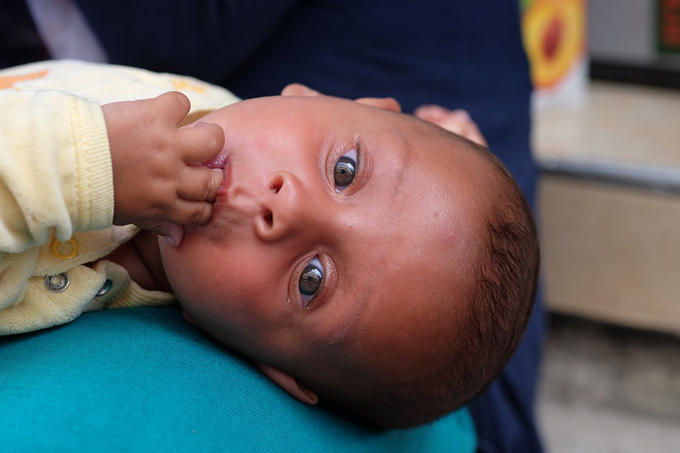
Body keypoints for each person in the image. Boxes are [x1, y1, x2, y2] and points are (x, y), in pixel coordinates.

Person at [0, 60, 538, 430]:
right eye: (345, 171)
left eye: (312, 280)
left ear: (276, 370)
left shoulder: (53, 286)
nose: (288, 207)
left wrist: (85, 171)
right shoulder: (212, 110)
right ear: (335, 100)